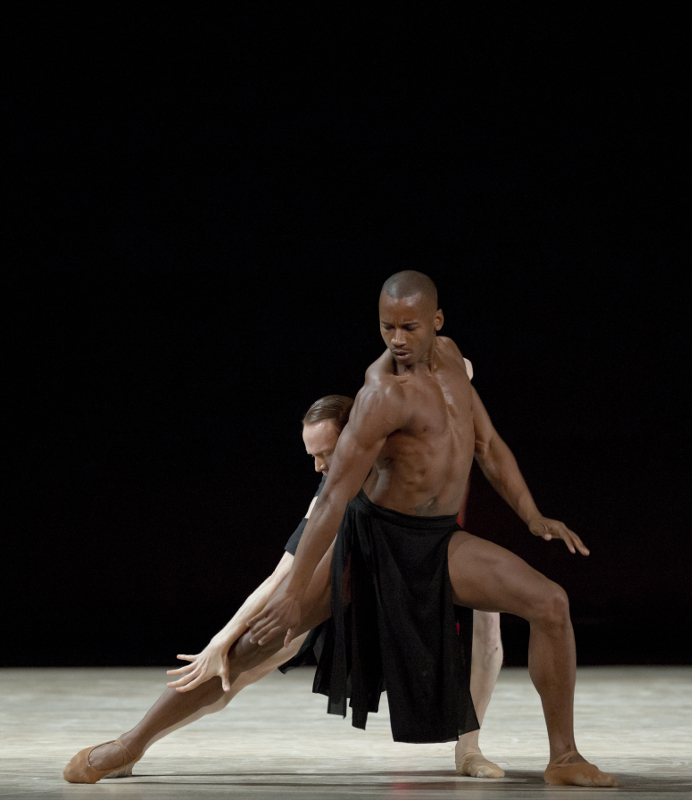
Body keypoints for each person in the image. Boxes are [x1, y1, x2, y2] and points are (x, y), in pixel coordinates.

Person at [236, 271, 616, 786]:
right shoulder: (381, 393)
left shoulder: (453, 361)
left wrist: (531, 514)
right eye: (386, 327)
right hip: (375, 541)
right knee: (256, 645)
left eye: (408, 327)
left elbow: (488, 446)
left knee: (549, 603)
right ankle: (134, 741)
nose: (396, 340)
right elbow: (328, 503)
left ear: (436, 322)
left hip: (435, 540)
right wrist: (286, 594)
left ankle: (561, 758)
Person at [64, 389, 504, 783]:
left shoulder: (411, 440)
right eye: (313, 457)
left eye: (326, 452)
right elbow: (281, 576)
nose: (320, 466)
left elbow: (452, 378)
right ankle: (134, 745)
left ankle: (469, 748)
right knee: (238, 665)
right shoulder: (332, 494)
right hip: (351, 585)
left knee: (488, 623)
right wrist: (223, 637)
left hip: (425, 559)